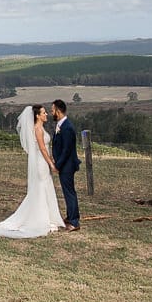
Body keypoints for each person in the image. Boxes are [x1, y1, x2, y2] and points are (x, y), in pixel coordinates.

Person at [0, 105, 64, 238]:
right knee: (40, 189)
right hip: (41, 162)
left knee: (45, 188)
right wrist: (51, 163)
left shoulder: (41, 128)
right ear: (37, 116)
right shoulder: (38, 129)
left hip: (43, 161)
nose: (46, 115)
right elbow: (43, 149)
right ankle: (41, 219)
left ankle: (47, 217)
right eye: (44, 113)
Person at [51, 98, 81, 231]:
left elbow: (67, 150)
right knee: (67, 191)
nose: (51, 113)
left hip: (67, 165)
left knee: (69, 193)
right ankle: (70, 216)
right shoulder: (61, 125)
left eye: (52, 110)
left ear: (58, 111)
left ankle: (74, 221)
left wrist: (58, 164)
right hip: (65, 165)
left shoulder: (67, 127)